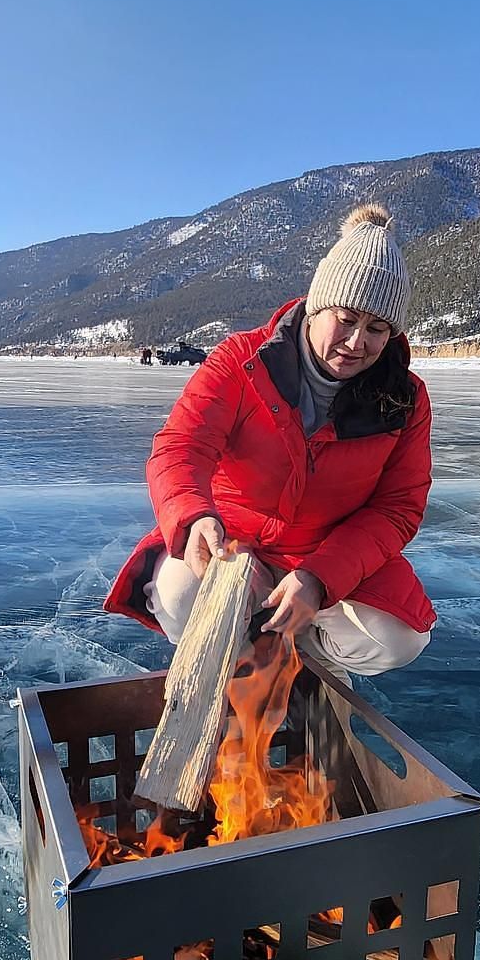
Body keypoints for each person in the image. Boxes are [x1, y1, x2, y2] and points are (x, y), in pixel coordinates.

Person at [104, 204, 435, 675]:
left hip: (327, 552)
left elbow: (398, 508)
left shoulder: (404, 398)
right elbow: (181, 447)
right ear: (317, 304)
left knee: (396, 639)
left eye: (377, 328)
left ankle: (306, 665)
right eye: (346, 319)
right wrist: (194, 518)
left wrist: (320, 579)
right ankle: (242, 672)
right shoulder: (242, 360)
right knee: (180, 595)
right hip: (235, 543)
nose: (357, 342)